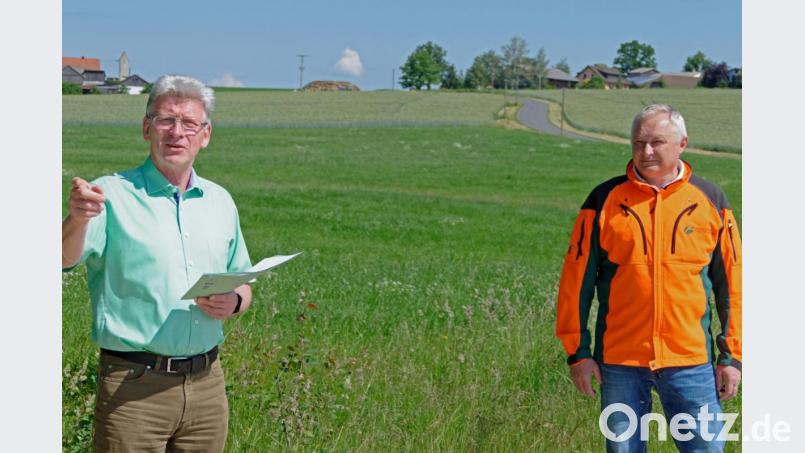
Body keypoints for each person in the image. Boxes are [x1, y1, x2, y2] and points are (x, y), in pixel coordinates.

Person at [62, 74, 253, 452]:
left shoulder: (220, 201)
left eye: (189, 123)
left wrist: (234, 301)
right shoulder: (110, 194)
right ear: (146, 128)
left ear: (206, 135)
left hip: (207, 385)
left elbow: (243, 282)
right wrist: (77, 220)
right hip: (134, 386)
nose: (176, 132)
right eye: (166, 120)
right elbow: (61, 258)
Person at [555, 104, 742, 452]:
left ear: (682, 143)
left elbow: (733, 286)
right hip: (620, 363)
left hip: (690, 361)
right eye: (638, 143)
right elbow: (575, 283)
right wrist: (578, 353)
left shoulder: (711, 201)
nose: (646, 151)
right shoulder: (603, 200)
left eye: (657, 142)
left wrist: (731, 357)